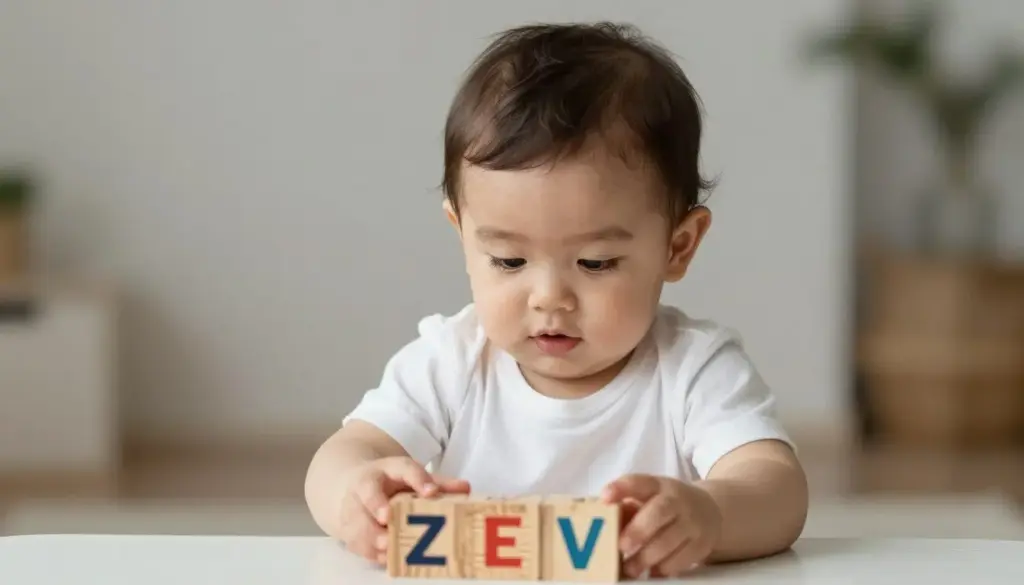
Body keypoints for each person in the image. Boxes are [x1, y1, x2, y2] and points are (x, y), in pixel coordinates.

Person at [305, 21, 808, 578]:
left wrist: (710, 514)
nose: (549, 299)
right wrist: (356, 494)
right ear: (462, 234)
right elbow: (345, 454)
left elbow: (777, 491)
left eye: (595, 263)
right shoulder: (450, 361)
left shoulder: (693, 369)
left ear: (677, 246)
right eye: (508, 262)